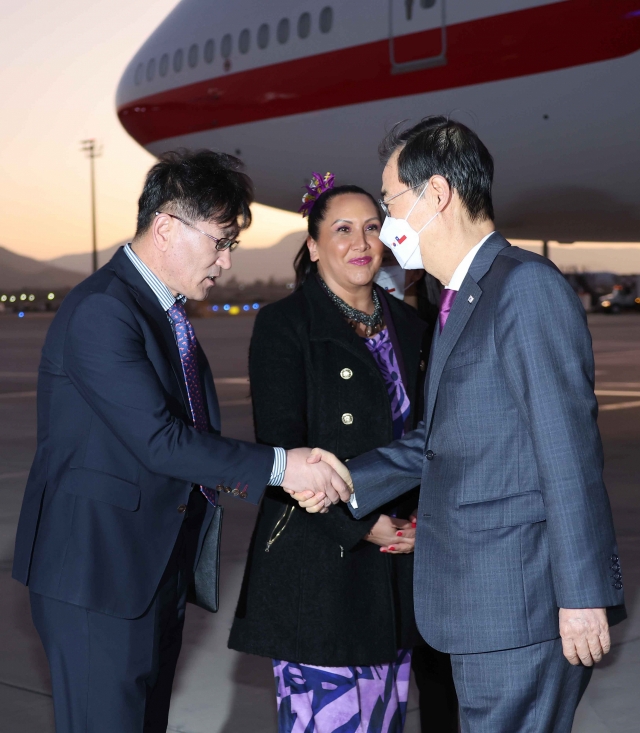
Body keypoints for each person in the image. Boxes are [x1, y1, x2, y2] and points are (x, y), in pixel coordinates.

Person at [11, 150, 350, 733]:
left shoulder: (165, 313)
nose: (225, 262)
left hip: (150, 571)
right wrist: (281, 467)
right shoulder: (103, 311)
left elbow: (197, 440)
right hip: (98, 576)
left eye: (232, 247)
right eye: (220, 241)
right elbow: (163, 442)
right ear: (166, 226)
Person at [309, 117, 626, 732]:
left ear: (436, 196)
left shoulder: (524, 289)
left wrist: (582, 595)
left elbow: (568, 452)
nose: (386, 220)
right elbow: (441, 440)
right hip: (484, 609)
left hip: (522, 609)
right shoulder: (459, 298)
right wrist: (345, 477)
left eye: (391, 200)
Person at [229, 175, 456, 733]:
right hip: (320, 566)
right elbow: (281, 455)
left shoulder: (412, 325)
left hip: (397, 570)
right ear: (313, 245)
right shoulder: (286, 326)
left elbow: (435, 437)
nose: (361, 242)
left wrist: (425, 521)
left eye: (372, 227)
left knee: (385, 720)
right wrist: (363, 527)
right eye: (343, 229)